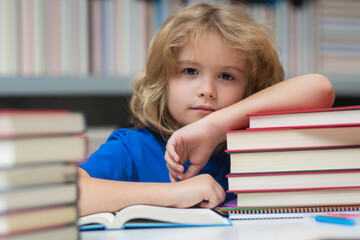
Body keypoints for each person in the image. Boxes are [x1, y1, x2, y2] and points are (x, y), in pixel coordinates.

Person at [78, 2, 334, 217]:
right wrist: (173, 194)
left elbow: (320, 89)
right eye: (190, 71)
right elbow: (69, 194)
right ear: (162, 81)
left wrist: (213, 128)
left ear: (250, 90)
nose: (207, 90)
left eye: (226, 76)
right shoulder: (132, 149)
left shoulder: (255, 151)